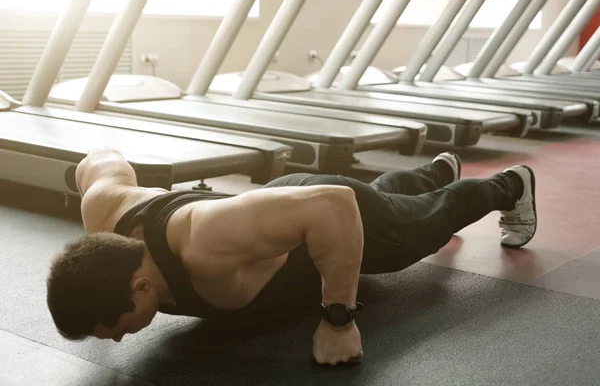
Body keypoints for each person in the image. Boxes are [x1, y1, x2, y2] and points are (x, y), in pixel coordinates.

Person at [46, 148, 536, 366]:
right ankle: (433, 170)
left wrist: (339, 320)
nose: (113, 342)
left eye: (113, 328)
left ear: (141, 286)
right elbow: (98, 160)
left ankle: (510, 184)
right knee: (395, 203)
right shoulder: (103, 208)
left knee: (420, 229)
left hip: (324, 212)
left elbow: (333, 206)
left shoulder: (202, 240)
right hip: (272, 216)